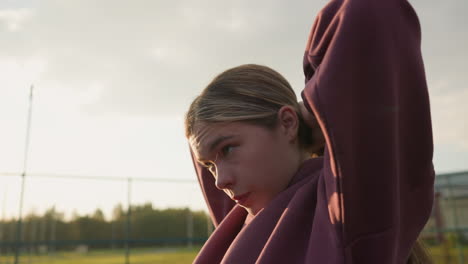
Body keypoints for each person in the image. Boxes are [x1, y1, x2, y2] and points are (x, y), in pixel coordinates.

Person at [185, 0, 435, 263]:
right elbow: (200, 147)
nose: (219, 181)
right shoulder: (238, 221)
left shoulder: (342, 208)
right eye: (210, 165)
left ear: (288, 123)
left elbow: (371, 11)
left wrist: (317, 110)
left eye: (228, 149)